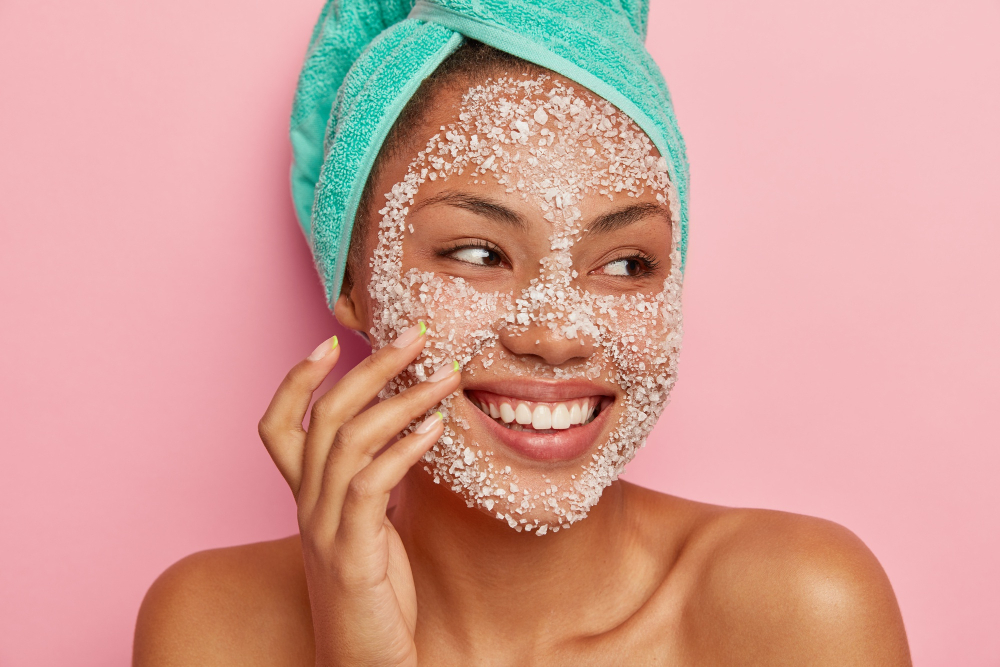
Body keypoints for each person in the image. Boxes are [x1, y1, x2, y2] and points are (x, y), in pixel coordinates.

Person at [133, 2, 911, 665]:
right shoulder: (213, 628)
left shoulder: (801, 612)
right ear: (350, 279)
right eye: (478, 253)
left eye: (627, 262)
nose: (557, 333)